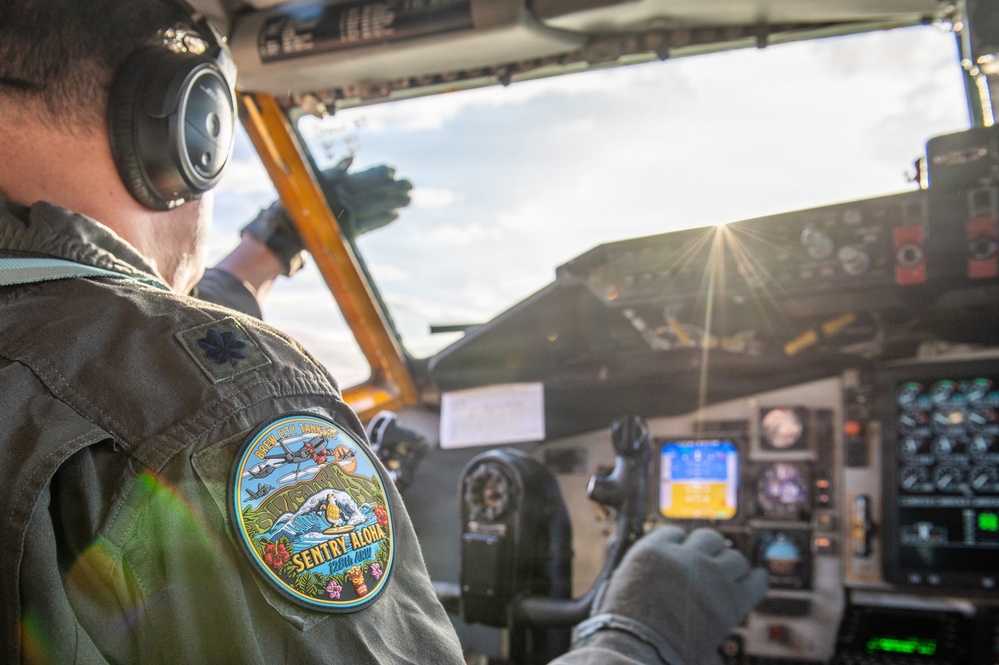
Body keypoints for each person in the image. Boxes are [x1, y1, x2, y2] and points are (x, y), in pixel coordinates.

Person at [0, 2, 766, 664]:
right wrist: (640, 633)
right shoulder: (218, 405)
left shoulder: (90, 360)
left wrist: (272, 247)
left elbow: (92, 344)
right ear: (191, 131)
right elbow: (147, 366)